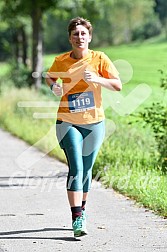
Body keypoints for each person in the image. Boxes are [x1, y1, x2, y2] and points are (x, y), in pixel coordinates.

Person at [46, 17, 122, 238]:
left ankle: (82, 211)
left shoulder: (100, 59)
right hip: (67, 121)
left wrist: (98, 79)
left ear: (89, 37)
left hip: (94, 122)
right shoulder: (61, 60)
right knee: (76, 169)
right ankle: (76, 216)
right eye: (75, 34)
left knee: (87, 171)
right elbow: (49, 77)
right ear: (70, 38)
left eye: (83, 33)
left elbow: (117, 85)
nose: (80, 37)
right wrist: (54, 88)